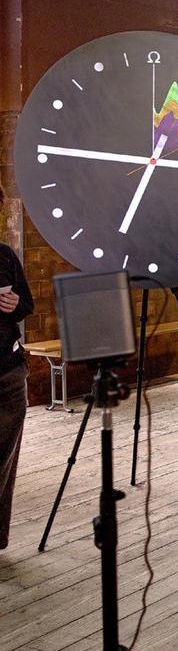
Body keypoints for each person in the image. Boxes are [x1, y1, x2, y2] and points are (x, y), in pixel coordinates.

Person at [0, 182, 34, 550]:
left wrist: (14, 305)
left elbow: (28, 304)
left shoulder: (5, 255)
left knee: (5, 460)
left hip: (9, 370)